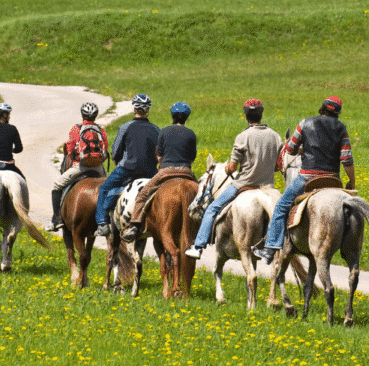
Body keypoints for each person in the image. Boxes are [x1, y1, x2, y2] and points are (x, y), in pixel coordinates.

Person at [253, 95, 356, 264]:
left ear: (322, 108)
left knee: (281, 206)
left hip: (308, 177)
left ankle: (270, 249)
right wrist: (352, 181)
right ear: (337, 113)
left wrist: (303, 149)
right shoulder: (341, 128)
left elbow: (291, 149)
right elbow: (347, 159)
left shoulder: (305, 123)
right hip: (333, 179)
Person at [184, 99, 283, 259]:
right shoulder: (275, 137)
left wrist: (226, 169)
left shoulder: (242, 137)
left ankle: (198, 246)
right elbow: (279, 166)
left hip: (243, 185)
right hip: (268, 188)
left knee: (212, 209)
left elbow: (232, 168)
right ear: (261, 114)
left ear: (245, 116)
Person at [123, 102, 197, 242]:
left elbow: (159, 157)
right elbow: (192, 158)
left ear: (172, 116)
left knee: (143, 195)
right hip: (186, 171)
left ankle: (134, 225)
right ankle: (206, 229)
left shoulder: (163, 132)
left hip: (166, 171)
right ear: (186, 117)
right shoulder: (191, 134)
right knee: (201, 198)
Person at [94, 94, 160, 236]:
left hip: (127, 169)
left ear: (134, 108)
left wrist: (117, 161)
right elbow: (159, 153)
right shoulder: (156, 129)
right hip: (149, 171)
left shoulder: (125, 127)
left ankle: (102, 223)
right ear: (147, 110)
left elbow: (116, 151)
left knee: (104, 188)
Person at [45, 102, 109, 232]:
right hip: (98, 168)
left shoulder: (76, 129)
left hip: (80, 167)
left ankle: (56, 219)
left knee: (56, 186)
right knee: (110, 189)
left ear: (82, 115)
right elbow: (106, 147)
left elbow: (69, 149)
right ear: (95, 116)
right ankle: (107, 220)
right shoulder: (100, 129)